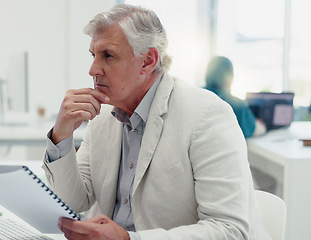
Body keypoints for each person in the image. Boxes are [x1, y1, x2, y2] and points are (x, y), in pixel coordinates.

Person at [42, 4, 270, 240]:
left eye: (108, 55)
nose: (93, 70)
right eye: (93, 55)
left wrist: (130, 239)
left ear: (148, 61)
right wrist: (61, 136)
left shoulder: (207, 114)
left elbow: (229, 230)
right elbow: (75, 201)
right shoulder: (102, 120)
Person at [204, 56, 266, 138]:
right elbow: (255, 130)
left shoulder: (196, 97)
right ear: (231, 77)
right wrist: (261, 125)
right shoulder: (237, 104)